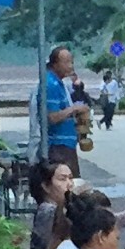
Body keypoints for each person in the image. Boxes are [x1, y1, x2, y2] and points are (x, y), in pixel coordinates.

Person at [43, 46, 90, 174]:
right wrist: (74, 108)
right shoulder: (51, 85)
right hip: (59, 146)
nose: (70, 66)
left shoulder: (59, 83)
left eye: (72, 62)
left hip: (66, 144)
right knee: (69, 186)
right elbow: (52, 117)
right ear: (55, 64)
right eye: (67, 62)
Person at [28, 159, 74, 249]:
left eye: (70, 178)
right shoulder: (48, 211)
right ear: (46, 186)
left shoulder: (55, 209)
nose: (69, 184)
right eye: (62, 179)